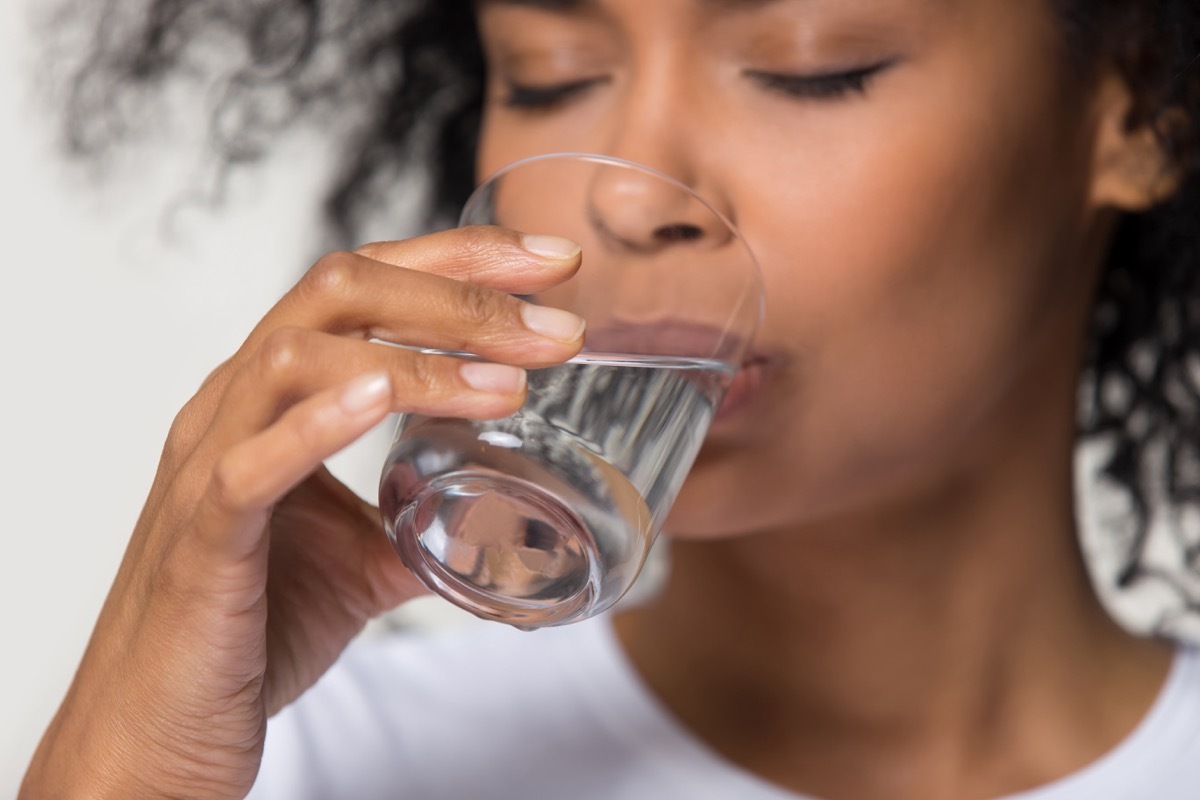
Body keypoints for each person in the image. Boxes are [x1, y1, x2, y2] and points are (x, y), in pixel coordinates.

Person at [20, 0, 1200, 798]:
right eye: (549, 77)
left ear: (1143, 101)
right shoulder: (309, 762)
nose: (629, 198)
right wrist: (130, 757)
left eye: (809, 67)